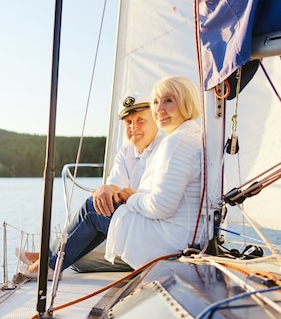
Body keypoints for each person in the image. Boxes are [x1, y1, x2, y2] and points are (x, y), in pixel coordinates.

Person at [18, 76, 202, 278]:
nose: (159, 110)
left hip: (168, 239)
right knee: (94, 215)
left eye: (169, 100)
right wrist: (110, 191)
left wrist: (131, 197)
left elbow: (161, 205)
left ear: (185, 101)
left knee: (92, 211)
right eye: (156, 102)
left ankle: (49, 265)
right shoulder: (187, 136)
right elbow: (119, 188)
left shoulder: (173, 142)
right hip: (179, 234)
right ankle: (49, 258)